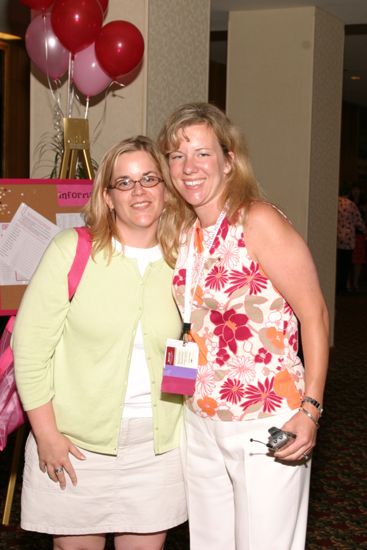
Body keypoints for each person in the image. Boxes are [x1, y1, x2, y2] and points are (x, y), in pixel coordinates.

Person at [158, 102, 329, 550]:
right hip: (201, 415)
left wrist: (310, 408)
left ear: (230, 161)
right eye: (177, 156)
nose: (188, 167)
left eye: (202, 154)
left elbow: (315, 315)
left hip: (267, 417)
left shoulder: (258, 220)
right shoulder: (185, 232)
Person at [12, 136, 187, 550]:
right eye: (124, 183)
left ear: (166, 189)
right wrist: (48, 435)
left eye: (149, 178)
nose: (139, 191)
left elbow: (190, 343)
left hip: (157, 450)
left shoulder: (184, 258)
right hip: (74, 447)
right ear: (107, 197)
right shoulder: (72, 251)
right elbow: (31, 350)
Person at [336, 186, 366, 294]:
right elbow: (358, 220)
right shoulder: (350, 204)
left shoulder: (335, 203)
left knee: (338, 262)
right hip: (348, 239)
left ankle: (338, 285)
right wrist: (364, 230)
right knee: (346, 263)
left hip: (337, 237)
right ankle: (342, 286)